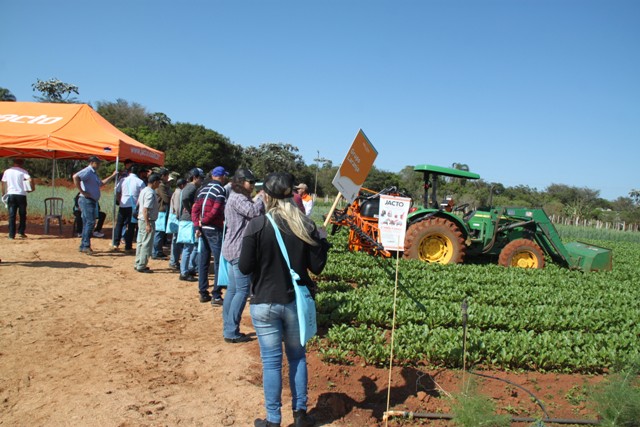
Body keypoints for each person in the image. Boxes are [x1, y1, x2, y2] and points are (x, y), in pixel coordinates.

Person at [239, 172, 330, 427]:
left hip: (264, 303)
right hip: (295, 305)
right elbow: (318, 267)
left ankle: (273, 420)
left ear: (266, 196)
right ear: (293, 194)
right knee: (298, 357)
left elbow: (245, 267)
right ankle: (300, 415)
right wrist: (322, 242)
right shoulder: (306, 226)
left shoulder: (256, 226)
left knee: (271, 363)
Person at [221, 168, 264, 343]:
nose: (253, 185)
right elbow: (254, 212)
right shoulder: (238, 198)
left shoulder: (236, 197)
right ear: (240, 182)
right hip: (239, 250)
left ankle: (228, 326)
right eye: (250, 182)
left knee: (232, 290)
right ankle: (231, 331)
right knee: (242, 291)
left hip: (231, 248)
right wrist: (261, 197)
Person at [192, 166, 229, 304]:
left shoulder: (202, 189)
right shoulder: (220, 190)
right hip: (214, 228)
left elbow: (195, 208)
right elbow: (216, 209)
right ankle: (216, 295)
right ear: (222, 176)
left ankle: (203, 292)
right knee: (219, 261)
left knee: (204, 259)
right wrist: (205, 221)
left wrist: (197, 224)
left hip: (203, 229)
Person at [72, 156, 117, 254]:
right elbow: (75, 177)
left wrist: (112, 176)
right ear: (92, 162)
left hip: (90, 200)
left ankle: (83, 245)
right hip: (86, 200)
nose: (99, 165)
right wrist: (82, 191)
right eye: (97, 163)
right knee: (90, 222)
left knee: (87, 223)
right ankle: (86, 245)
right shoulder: (88, 171)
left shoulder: (93, 174)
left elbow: (101, 183)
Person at [178, 168, 204, 282]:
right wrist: (191, 210)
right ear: (195, 177)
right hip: (188, 220)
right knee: (188, 247)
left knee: (192, 245)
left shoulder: (191, 187)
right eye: (201, 178)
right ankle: (184, 272)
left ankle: (189, 268)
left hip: (188, 220)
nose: (202, 180)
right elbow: (184, 198)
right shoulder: (192, 187)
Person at [113, 164, 145, 252]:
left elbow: (117, 191)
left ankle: (115, 243)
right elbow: (143, 195)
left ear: (129, 171)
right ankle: (128, 245)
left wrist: (119, 200)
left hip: (123, 205)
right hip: (133, 206)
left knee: (119, 224)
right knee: (131, 226)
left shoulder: (123, 180)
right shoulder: (140, 182)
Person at [134, 173, 162, 273]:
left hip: (141, 219)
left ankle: (138, 262)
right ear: (154, 182)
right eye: (158, 182)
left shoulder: (144, 190)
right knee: (146, 244)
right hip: (147, 220)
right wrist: (148, 224)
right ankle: (142, 265)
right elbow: (146, 209)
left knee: (140, 242)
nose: (159, 184)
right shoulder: (150, 193)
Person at [2, 158, 35, 240]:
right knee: (22, 214)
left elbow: (3, 182)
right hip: (21, 195)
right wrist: (32, 188)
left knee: (12, 215)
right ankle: (21, 232)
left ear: (14, 163)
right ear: (22, 163)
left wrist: (3, 193)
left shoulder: (7, 171)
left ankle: (11, 235)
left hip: (11, 194)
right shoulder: (23, 171)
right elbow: (30, 179)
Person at [152, 168, 171, 259]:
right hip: (161, 211)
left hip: (161, 211)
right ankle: (156, 252)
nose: (168, 178)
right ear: (163, 176)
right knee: (159, 232)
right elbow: (166, 199)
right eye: (167, 176)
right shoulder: (161, 186)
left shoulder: (162, 185)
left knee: (160, 232)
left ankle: (158, 251)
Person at [168, 178, 187, 270]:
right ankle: (173, 261)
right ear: (182, 185)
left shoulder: (177, 192)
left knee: (176, 241)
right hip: (177, 220)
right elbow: (178, 208)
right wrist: (180, 218)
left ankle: (174, 260)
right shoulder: (179, 193)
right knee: (176, 241)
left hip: (177, 219)